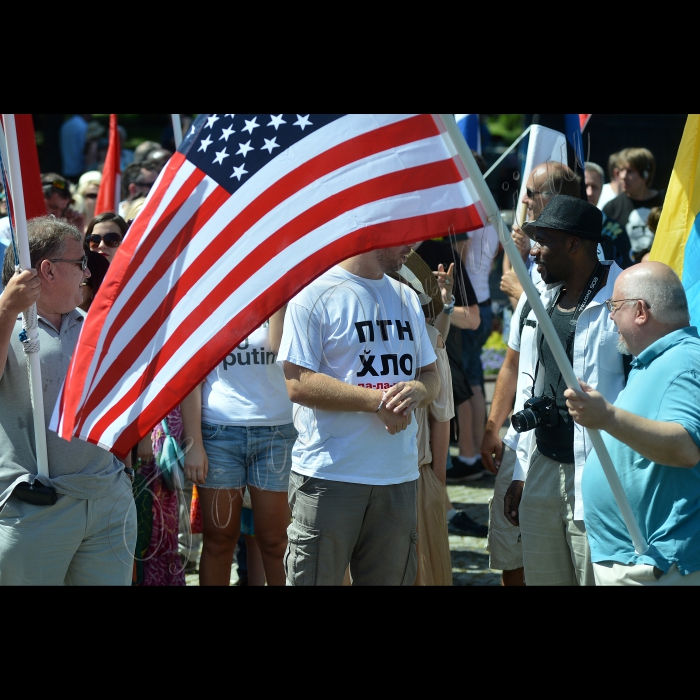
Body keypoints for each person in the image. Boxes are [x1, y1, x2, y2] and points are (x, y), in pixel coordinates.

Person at [278, 243, 440, 585]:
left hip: (397, 476)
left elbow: (431, 375)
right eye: (403, 232)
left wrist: (419, 391)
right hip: (329, 476)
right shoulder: (313, 294)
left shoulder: (406, 296)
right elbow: (298, 383)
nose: (412, 245)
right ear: (372, 228)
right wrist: (378, 401)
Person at [0, 216, 136, 584]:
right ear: (48, 270)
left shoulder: (93, 323)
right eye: (80, 264)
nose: (88, 274)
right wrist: (5, 311)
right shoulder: (5, 322)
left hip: (107, 499)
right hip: (36, 506)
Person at [502, 194, 626, 586]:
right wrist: (520, 471)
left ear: (574, 244)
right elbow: (528, 383)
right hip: (543, 465)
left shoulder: (623, 299)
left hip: (599, 477)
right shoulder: (541, 296)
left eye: (543, 240)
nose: (533, 250)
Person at [565, 262, 700, 585]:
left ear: (640, 310)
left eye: (614, 306)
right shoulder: (653, 361)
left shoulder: (684, 361)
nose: (610, 316)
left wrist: (608, 417)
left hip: (659, 564)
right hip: (639, 560)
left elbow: (687, 447)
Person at [181, 306, 296, 586]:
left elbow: (278, 347)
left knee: (275, 540)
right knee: (219, 540)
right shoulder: (209, 303)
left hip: (276, 435)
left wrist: (278, 299)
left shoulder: (283, 299)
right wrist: (194, 442)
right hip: (218, 434)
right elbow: (190, 378)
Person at [390, 251, 454, 585]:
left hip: (417, 472)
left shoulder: (430, 340)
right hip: (372, 472)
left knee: (420, 570)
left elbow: (441, 415)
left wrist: (437, 481)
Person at [500, 162, 581, 310]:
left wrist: (517, 290)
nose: (524, 199)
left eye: (530, 193)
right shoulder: (537, 235)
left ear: (555, 198)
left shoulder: (576, 246)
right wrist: (520, 254)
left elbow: (561, 312)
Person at [603, 147, 664, 258]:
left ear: (646, 174)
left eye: (630, 171)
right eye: (621, 170)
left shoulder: (666, 202)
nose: (623, 176)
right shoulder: (611, 208)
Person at [585, 162, 632, 269]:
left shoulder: (617, 231)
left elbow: (626, 269)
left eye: (594, 187)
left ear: (602, 190)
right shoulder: (563, 228)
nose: (590, 192)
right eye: (585, 186)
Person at [59, 114, 91, 180]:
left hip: (66, 167)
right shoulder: (83, 126)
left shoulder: (65, 125)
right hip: (79, 168)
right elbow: (84, 149)